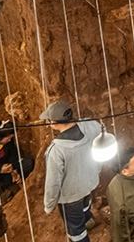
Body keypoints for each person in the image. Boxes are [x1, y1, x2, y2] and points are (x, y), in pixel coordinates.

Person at [40, 100, 103, 242]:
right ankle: (87, 221)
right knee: (85, 205)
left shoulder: (56, 151)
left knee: (76, 231)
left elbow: (53, 183)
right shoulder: (91, 125)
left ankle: (82, 232)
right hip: (90, 181)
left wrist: (48, 206)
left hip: (71, 196)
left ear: (54, 123)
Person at [0, 120, 35, 201]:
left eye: (11, 138)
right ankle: (5, 189)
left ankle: (11, 183)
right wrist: (0, 170)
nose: (10, 140)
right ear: (0, 137)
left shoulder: (8, 143)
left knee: (28, 164)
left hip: (8, 170)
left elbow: (13, 156)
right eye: (8, 138)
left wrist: (15, 171)